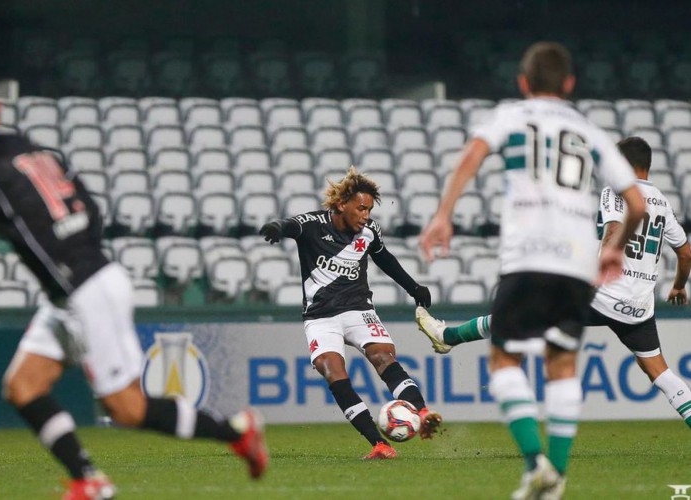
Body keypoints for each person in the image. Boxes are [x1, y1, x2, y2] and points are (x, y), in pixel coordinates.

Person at [0, 69, 268, 500]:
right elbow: (92, 210)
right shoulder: (36, 149)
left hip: (86, 291)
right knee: (23, 387)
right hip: (77, 288)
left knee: (127, 409)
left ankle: (236, 432)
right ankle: (88, 479)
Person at [418, 42, 645, 500]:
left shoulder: (511, 116)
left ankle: (534, 463)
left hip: (526, 256)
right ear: (570, 84)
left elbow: (471, 156)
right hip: (577, 262)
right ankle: (554, 481)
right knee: (562, 367)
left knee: (505, 359)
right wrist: (614, 249)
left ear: (523, 83)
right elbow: (635, 203)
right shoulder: (589, 130)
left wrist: (444, 214)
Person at [417, 136, 691, 430]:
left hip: (603, 295)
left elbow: (612, 230)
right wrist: (678, 286)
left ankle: (449, 337)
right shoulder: (663, 202)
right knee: (659, 371)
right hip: (639, 307)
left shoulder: (616, 191)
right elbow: (685, 252)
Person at [259, 166, 442, 459]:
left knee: (383, 356)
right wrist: (277, 227)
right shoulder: (314, 224)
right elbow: (290, 225)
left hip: (359, 309)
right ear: (342, 205)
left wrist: (413, 287)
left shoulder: (369, 232)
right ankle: (380, 445)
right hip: (321, 316)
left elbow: (386, 259)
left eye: (369, 209)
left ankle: (422, 414)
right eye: (360, 208)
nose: (366, 215)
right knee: (332, 371)